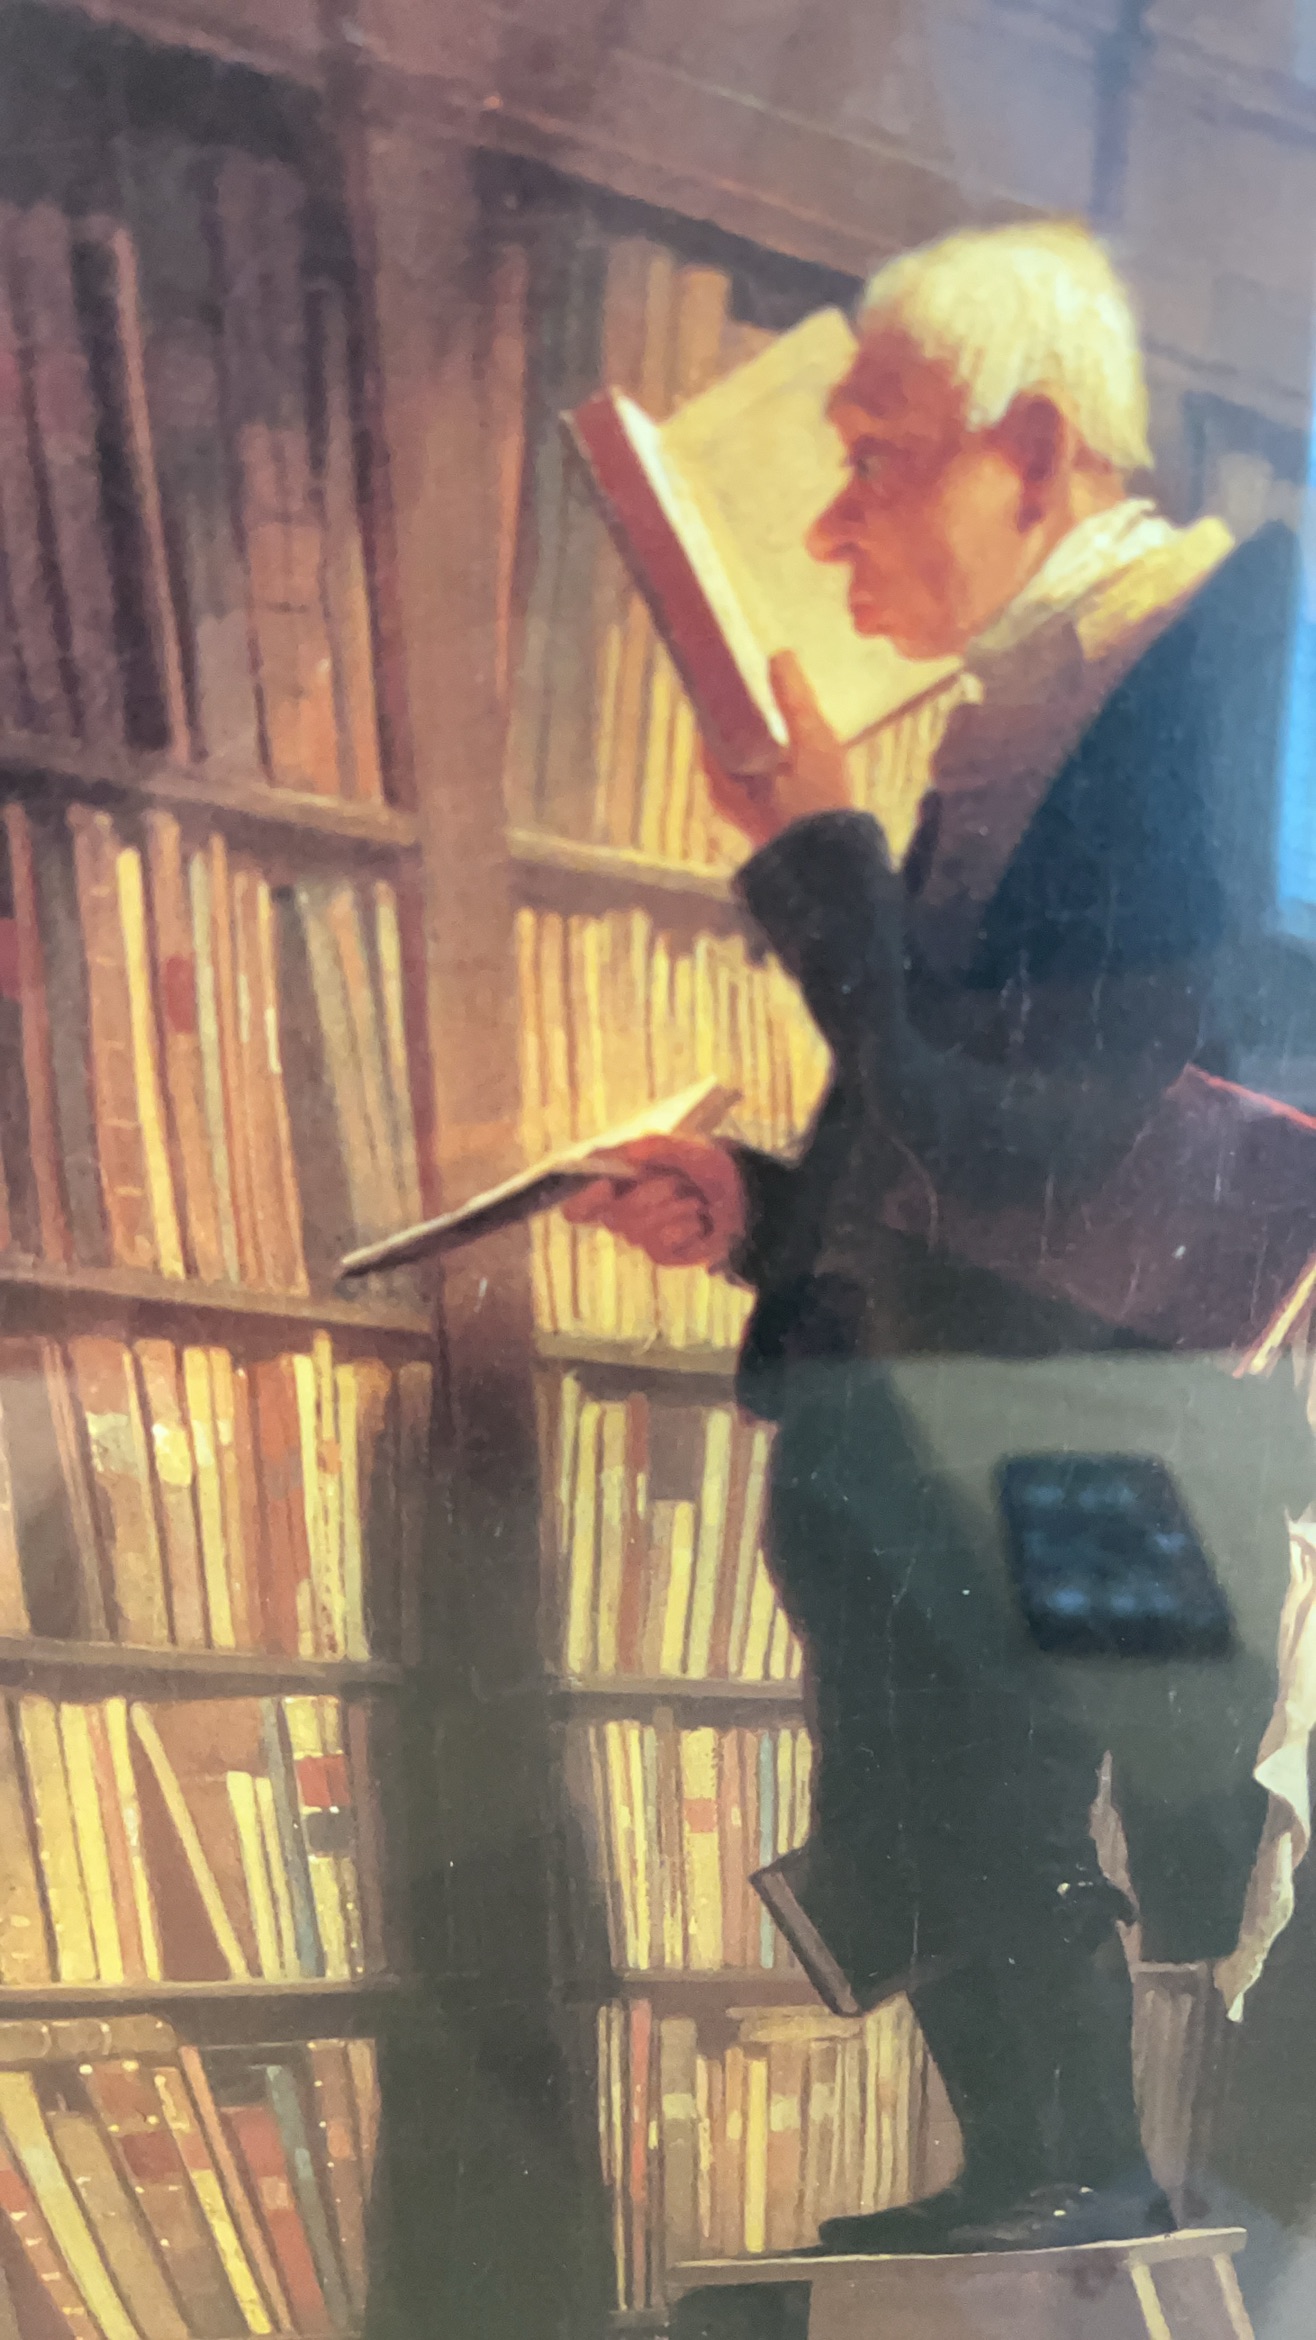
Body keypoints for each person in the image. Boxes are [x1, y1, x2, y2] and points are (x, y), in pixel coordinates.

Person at [565, 221, 1315, 2259]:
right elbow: (947, 1145)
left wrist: (822, 864)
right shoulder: (1028, 698)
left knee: (1009, 1784)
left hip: (1098, 1444)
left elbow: (1057, 1149)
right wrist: (760, 1213)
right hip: (980, 1426)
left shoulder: (1222, 662)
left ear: (1036, 450)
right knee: (951, 1783)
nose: (832, 524)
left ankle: (1074, 2158)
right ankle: (1033, 2156)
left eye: (876, 457)